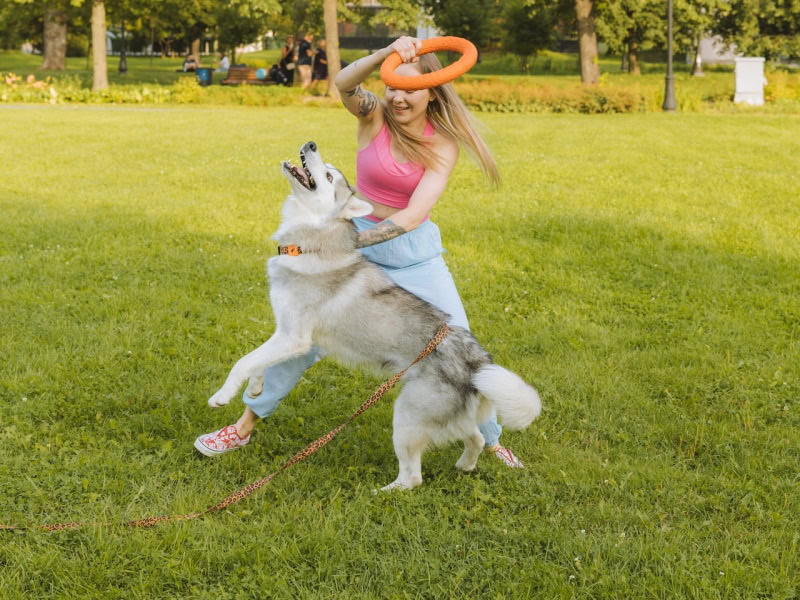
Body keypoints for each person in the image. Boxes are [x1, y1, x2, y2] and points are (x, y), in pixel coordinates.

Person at [196, 37, 525, 469]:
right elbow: (344, 82)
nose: (399, 96)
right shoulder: (373, 117)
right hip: (352, 247)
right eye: (394, 86)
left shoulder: (442, 143)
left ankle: (491, 437)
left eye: (411, 88)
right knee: (303, 337)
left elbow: (413, 214)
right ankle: (241, 428)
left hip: (410, 253)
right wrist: (385, 54)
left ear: (433, 90)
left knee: (457, 342)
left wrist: (351, 241)